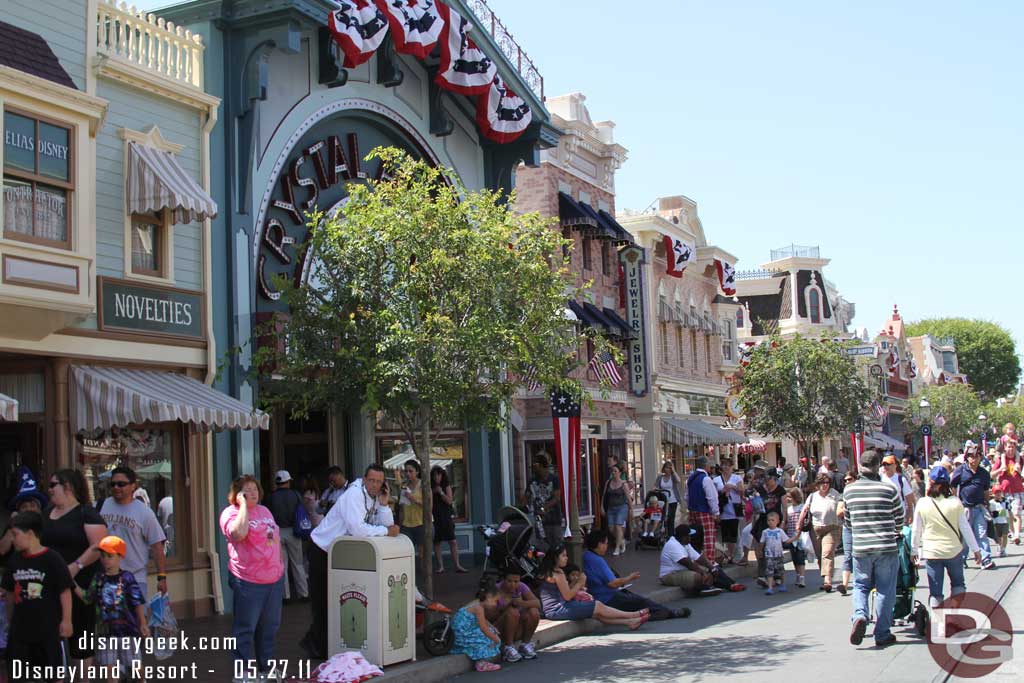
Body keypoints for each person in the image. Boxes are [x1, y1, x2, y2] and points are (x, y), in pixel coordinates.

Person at [303, 464, 399, 659]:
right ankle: (317, 645)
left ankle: (321, 642)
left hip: (341, 552)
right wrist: (385, 531)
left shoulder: (373, 498)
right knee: (323, 601)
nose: (374, 484)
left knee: (335, 601)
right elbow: (359, 529)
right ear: (364, 479)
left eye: (379, 482)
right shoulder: (353, 495)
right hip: (322, 548)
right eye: (371, 480)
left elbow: (388, 525)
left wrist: (383, 504)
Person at [221, 475, 285, 680]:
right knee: (245, 628)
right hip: (248, 581)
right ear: (237, 494)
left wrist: (280, 566)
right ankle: (242, 672)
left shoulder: (265, 510)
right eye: (247, 489)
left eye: (255, 488)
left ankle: (266, 668)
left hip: (273, 580)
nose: (254, 492)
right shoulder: (230, 513)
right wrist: (242, 507)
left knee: (269, 627)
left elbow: (274, 539)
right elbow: (238, 534)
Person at [42, 468, 107, 663]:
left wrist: (75, 566)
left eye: (53, 485)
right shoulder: (46, 513)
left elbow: (100, 545)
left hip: (79, 586)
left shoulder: (86, 513)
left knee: (80, 638)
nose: (50, 489)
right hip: (50, 585)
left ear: (67, 486)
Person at [1, 511, 74, 676]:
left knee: (53, 674)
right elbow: (10, 593)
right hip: (20, 632)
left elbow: (65, 590)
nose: (12, 539)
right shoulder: (14, 561)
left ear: (30, 534)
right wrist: (11, 621)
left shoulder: (52, 559)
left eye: (15, 534)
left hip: (48, 630)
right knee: (19, 675)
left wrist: (67, 620)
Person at [843, 450, 903, 647]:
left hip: (861, 548)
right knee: (885, 589)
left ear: (860, 467)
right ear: (878, 467)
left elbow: (848, 522)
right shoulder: (889, 490)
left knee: (861, 585)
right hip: (886, 547)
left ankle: (860, 615)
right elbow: (900, 519)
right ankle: (882, 632)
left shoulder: (849, 491)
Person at [74, 535, 150, 682]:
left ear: (120, 557)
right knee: (109, 667)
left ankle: (142, 680)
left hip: (126, 630)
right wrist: (72, 584)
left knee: (134, 663)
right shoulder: (98, 579)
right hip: (105, 632)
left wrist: (143, 623)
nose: (105, 560)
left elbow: (136, 601)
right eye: (103, 556)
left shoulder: (127, 578)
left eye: (110, 556)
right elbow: (87, 597)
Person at [911, 466, 980, 608]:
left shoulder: (922, 503)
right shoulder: (955, 502)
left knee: (935, 592)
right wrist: (976, 549)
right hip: (953, 551)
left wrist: (914, 550)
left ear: (932, 483)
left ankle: (939, 622)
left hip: (932, 553)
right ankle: (955, 612)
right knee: (958, 584)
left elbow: (916, 529)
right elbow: (965, 528)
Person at [582, 528, 689, 620]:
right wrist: (630, 577)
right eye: (605, 543)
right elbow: (613, 583)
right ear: (599, 544)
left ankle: (665, 612)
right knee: (641, 601)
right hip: (608, 597)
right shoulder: (597, 560)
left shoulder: (587, 556)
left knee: (635, 599)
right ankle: (669, 613)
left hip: (604, 595)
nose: (607, 546)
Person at [537, 543, 647, 628]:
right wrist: (580, 582)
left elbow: (564, 591)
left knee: (597, 614)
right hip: (557, 610)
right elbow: (567, 596)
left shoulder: (551, 571)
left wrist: (576, 582)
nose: (566, 558)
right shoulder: (557, 574)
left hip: (556, 609)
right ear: (555, 558)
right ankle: (632, 615)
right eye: (563, 556)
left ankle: (629, 622)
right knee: (597, 605)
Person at [98, 467, 167, 600]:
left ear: (133, 486)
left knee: (136, 619)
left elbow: (157, 546)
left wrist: (162, 577)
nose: (116, 487)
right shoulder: (104, 505)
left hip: (135, 578)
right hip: (107, 578)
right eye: (113, 484)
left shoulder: (144, 513)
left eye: (121, 484)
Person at [266, 470, 308, 602]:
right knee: (298, 564)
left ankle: (286, 596)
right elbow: (302, 511)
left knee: (281, 564)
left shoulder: (270, 497)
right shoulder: (295, 495)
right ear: (288, 481)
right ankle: (303, 593)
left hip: (277, 532)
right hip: (293, 532)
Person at [951, 446, 995, 570]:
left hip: (979, 507)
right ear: (967, 458)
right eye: (971, 456)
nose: (974, 459)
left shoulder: (983, 473)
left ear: (980, 457)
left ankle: (986, 559)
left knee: (981, 534)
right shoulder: (961, 470)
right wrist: (955, 501)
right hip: (965, 507)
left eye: (976, 456)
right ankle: (963, 559)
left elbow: (986, 490)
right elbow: (953, 486)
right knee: (965, 536)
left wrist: (987, 504)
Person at [798, 473, 842, 593]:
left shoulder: (835, 494)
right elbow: (805, 510)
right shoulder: (813, 496)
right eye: (822, 483)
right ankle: (825, 578)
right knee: (820, 555)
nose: (825, 485)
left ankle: (828, 581)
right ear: (817, 484)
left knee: (827, 552)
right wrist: (799, 525)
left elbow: (842, 507)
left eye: (827, 483)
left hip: (832, 527)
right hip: (816, 529)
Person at [486, 565, 541, 662]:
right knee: (512, 612)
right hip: (499, 631)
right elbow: (490, 617)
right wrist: (507, 605)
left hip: (517, 628)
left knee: (534, 612)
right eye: (509, 581)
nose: (513, 585)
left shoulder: (522, 587)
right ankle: (508, 647)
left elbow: (537, 603)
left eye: (516, 581)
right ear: (503, 580)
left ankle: (525, 645)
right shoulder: (495, 590)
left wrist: (521, 603)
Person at [451, 580, 502, 673]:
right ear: (489, 597)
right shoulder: (479, 608)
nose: (496, 604)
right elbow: (484, 629)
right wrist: (496, 639)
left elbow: (484, 621)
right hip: (462, 635)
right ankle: (481, 662)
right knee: (488, 637)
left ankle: (482, 659)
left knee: (491, 630)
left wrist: (492, 627)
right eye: (496, 601)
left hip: (460, 632)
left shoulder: (476, 603)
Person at [658, 524, 723, 596]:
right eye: (689, 536)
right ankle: (700, 590)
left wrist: (712, 568)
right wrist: (702, 573)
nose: (690, 538)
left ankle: (707, 588)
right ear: (684, 537)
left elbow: (699, 558)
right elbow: (688, 563)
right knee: (698, 576)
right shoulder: (672, 545)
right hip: (669, 575)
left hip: (682, 570)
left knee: (712, 570)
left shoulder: (685, 544)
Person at [0, 466, 48, 557]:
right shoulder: (13, 526)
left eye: (33, 505)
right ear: (19, 511)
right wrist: (12, 525)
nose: (29, 509)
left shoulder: (48, 524)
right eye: (24, 507)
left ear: (39, 509)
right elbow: (2, 550)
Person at [750, 468, 785, 587]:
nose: (766, 480)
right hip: (763, 521)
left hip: (776, 521)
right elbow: (749, 494)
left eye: (768, 478)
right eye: (764, 478)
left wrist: (783, 522)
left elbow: (784, 507)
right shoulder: (761, 489)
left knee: (774, 549)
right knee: (761, 547)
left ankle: (777, 575)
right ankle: (763, 575)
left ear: (774, 478)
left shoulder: (780, 490)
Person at [431, 466, 467, 573]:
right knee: (437, 542)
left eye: (438, 475)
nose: (436, 477)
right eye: (434, 475)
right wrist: (434, 491)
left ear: (442, 475)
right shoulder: (430, 487)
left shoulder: (446, 486)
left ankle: (457, 565)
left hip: (446, 516)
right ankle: (440, 566)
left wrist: (441, 492)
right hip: (435, 516)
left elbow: (449, 501)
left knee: (453, 541)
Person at [522, 454, 562, 546]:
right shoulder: (532, 481)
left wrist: (543, 508)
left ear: (540, 465)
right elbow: (526, 496)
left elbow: (557, 498)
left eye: (534, 465)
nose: (532, 468)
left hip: (553, 520)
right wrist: (522, 508)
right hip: (539, 521)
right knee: (541, 547)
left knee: (556, 546)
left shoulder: (554, 479)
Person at [686, 456, 720, 563]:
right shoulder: (706, 479)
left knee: (695, 536)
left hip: (693, 511)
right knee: (707, 537)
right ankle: (709, 560)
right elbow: (712, 498)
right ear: (706, 466)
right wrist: (716, 512)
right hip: (704, 511)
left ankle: (695, 558)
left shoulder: (690, 478)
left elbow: (687, 496)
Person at [992, 433, 1024, 545]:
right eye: (1008, 447)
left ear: (1015, 448)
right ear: (1005, 448)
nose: (1010, 449)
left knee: (1016, 513)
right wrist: (1000, 468)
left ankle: (1016, 535)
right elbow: (992, 475)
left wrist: (1020, 471)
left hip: (1017, 491)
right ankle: (1013, 532)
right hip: (1004, 492)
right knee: (1010, 514)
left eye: (1013, 447)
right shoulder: (1001, 460)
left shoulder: (1019, 459)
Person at [713, 460, 743, 564]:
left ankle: (733, 554)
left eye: (728, 465)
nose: (725, 467)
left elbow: (742, 491)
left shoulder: (737, 478)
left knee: (734, 534)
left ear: (731, 467)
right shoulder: (716, 480)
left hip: (734, 508)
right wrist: (722, 492)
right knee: (724, 534)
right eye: (724, 465)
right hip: (723, 509)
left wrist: (733, 487)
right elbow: (713, 494)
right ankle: (726, 555)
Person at [759, 511, 795, 595]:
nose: (770, 522)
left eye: (773, 520)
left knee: (780, 570)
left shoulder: (780, 531)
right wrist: (760, 551)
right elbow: (762, 542)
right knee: (769, 571)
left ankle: (782, 584)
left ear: (777, 521)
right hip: (769, 555)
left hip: (778, 554)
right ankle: (770, 587)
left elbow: (786, 540)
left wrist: (795, 537)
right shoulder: (765, 532)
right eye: (769, 520)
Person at [398, 460, 425, 570]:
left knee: (422, 553)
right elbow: (401, 506)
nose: (408, 474)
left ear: (417, 472)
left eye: (410, 471)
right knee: (407, 552)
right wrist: (400, 524)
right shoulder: (404, 486)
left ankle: (425, 576)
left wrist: (413, 498)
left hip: (420, 523)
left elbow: (429, 506)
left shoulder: (423, 485)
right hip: (406, 524)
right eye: (406, 471)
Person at [602, 464, 633, 556]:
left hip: (622, 507)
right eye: (612, 471)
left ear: (620, 473)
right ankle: (622, 541)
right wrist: (602, 507)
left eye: (615, 471)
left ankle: (617, 548)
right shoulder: (608, 482)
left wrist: (631, 510)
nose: (613, 473)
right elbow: (604, 495)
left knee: (618, 526)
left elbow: (628, 498)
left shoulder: (623, 484)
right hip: (611, 508)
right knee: (611, 528)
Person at [837, 471, 858, 594]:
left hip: (859, 528)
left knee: (859, 555)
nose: (847, 482)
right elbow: (838, 512)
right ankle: (844, 585)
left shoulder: (860, 493)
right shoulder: (843, 495)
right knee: (848, 555)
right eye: (845, 480)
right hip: (847, 528)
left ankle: (860, 582)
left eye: (849, 479)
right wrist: (849, 506)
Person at [782, 488, 807, 588]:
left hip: (800, 536)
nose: (788, 499)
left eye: (790, 497)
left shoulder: (802, 507)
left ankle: (802, 577)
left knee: (800, 557)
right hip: (791, 535)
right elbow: (787, 522)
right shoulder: (789, 509)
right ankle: (798, 575)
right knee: (794, 557)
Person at [881, 454, 915, 525]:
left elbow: (909, 498)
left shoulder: (901, 479)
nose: (885, 466)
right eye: (884, 464)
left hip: (900, 517)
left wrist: (911, 514)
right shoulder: (880, 480)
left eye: (888, 464)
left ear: (895, 465)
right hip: (885, 517)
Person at [654, 461, 682, 531]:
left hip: (673, 500)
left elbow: (678, 480)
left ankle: (671, 535)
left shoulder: (673, 477)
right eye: (667, 467)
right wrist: (655, 489)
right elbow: (655, 486)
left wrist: (674, 471)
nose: (668, 469)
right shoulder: (660, 477)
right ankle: (664, 533)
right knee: (664, 518)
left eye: (669, 468)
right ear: (664, 468)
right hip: (663, 500)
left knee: (671, 518)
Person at [989, 483, 1010, 558]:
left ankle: (1003, 549)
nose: (998, 494)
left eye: (999, 492)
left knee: (1005, 536)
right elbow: (990, 512)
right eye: (996, 493)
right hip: (996, 522)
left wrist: (1011, 518)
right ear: (993, 494)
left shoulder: (1006, 501)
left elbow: (1009, 510)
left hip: (1005, 522)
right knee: (998, 537)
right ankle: (999, 547)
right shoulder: (991, 503)